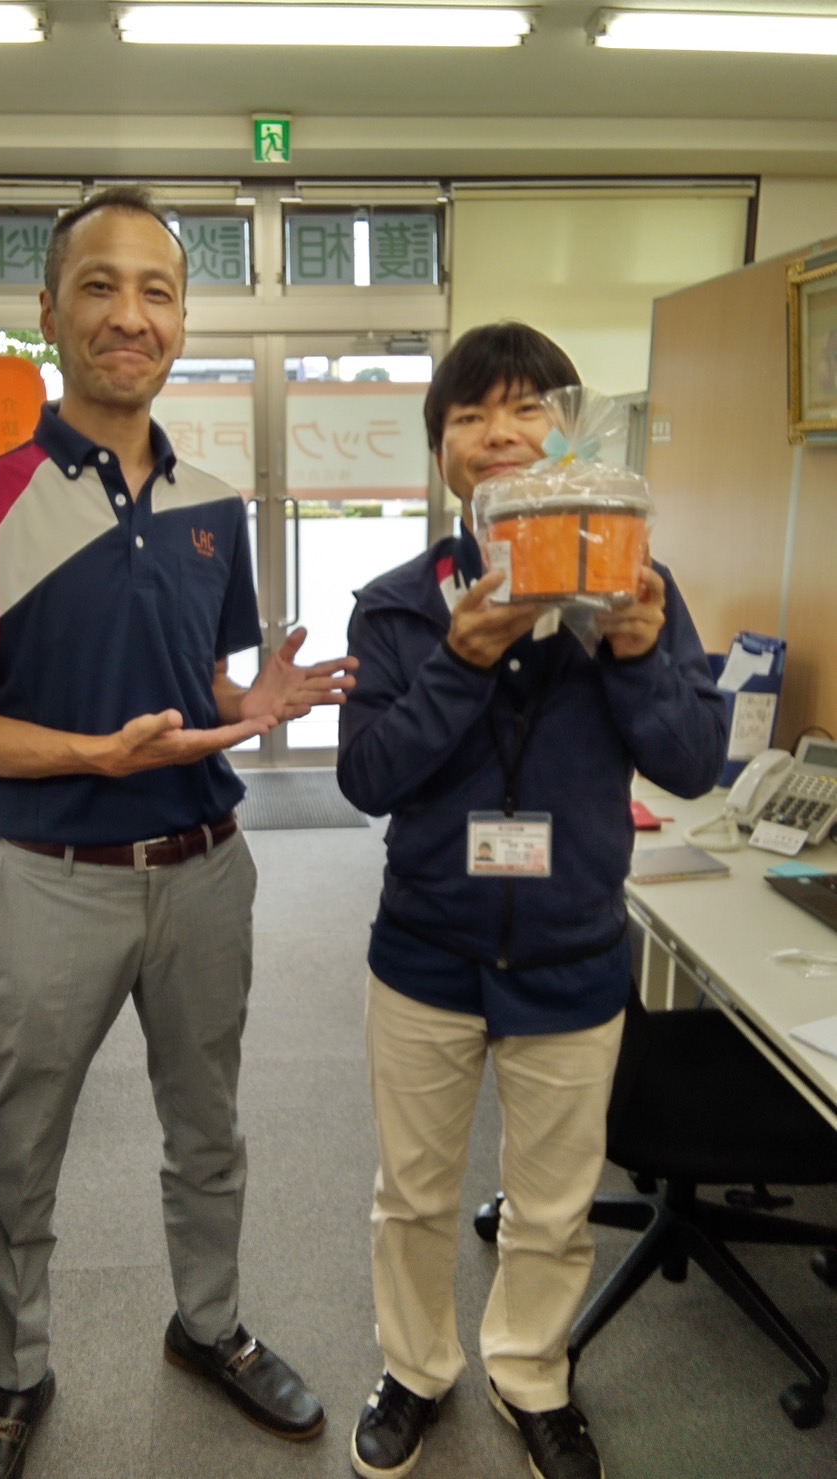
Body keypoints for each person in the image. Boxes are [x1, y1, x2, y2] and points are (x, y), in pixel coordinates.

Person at [0, 185, 357, 1479]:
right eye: (99, 285)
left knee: (208, 1128)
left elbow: (202, 685)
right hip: (52, 882)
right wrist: (90, 754)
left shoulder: (212, 503)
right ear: (49, 311)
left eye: (156, 289)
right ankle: (13, 1372)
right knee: (16, 1144)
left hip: (204, 871)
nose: (129, 314)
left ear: (182, 320)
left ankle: (209, 1326)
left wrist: (247, 703)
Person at [337, 322, 728, 1479]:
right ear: (441, 453)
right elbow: (365, 777)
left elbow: (691, 761)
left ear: (567, 436)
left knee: (551, 1205)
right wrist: (458, 662)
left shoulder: (634, 586)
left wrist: (634, 654)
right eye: (468, 416)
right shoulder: (399, 606)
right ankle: (413, 1369)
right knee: (412, 1196)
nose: (498, 434)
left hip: (570, 952)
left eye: (524, 410)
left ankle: (529, 1371)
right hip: (426, 949)